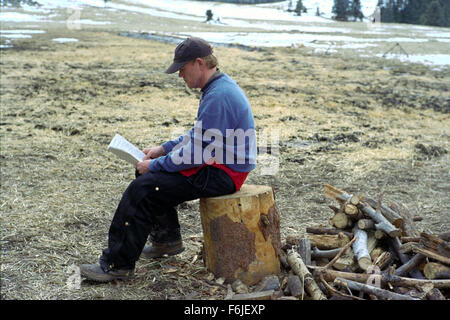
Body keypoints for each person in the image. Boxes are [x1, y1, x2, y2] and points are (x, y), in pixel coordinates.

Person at [80, 37, 257, 282]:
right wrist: (162, 149)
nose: (180, 75)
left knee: (143, 188)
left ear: (198, 63)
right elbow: (198, 137)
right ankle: (167, 240)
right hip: (219, 163)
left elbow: (196, 153)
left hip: (224, 172)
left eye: (182, 69)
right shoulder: (217, 88)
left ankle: (116, 265)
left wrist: (154, 165)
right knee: (148, 177)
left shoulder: (219, 95)